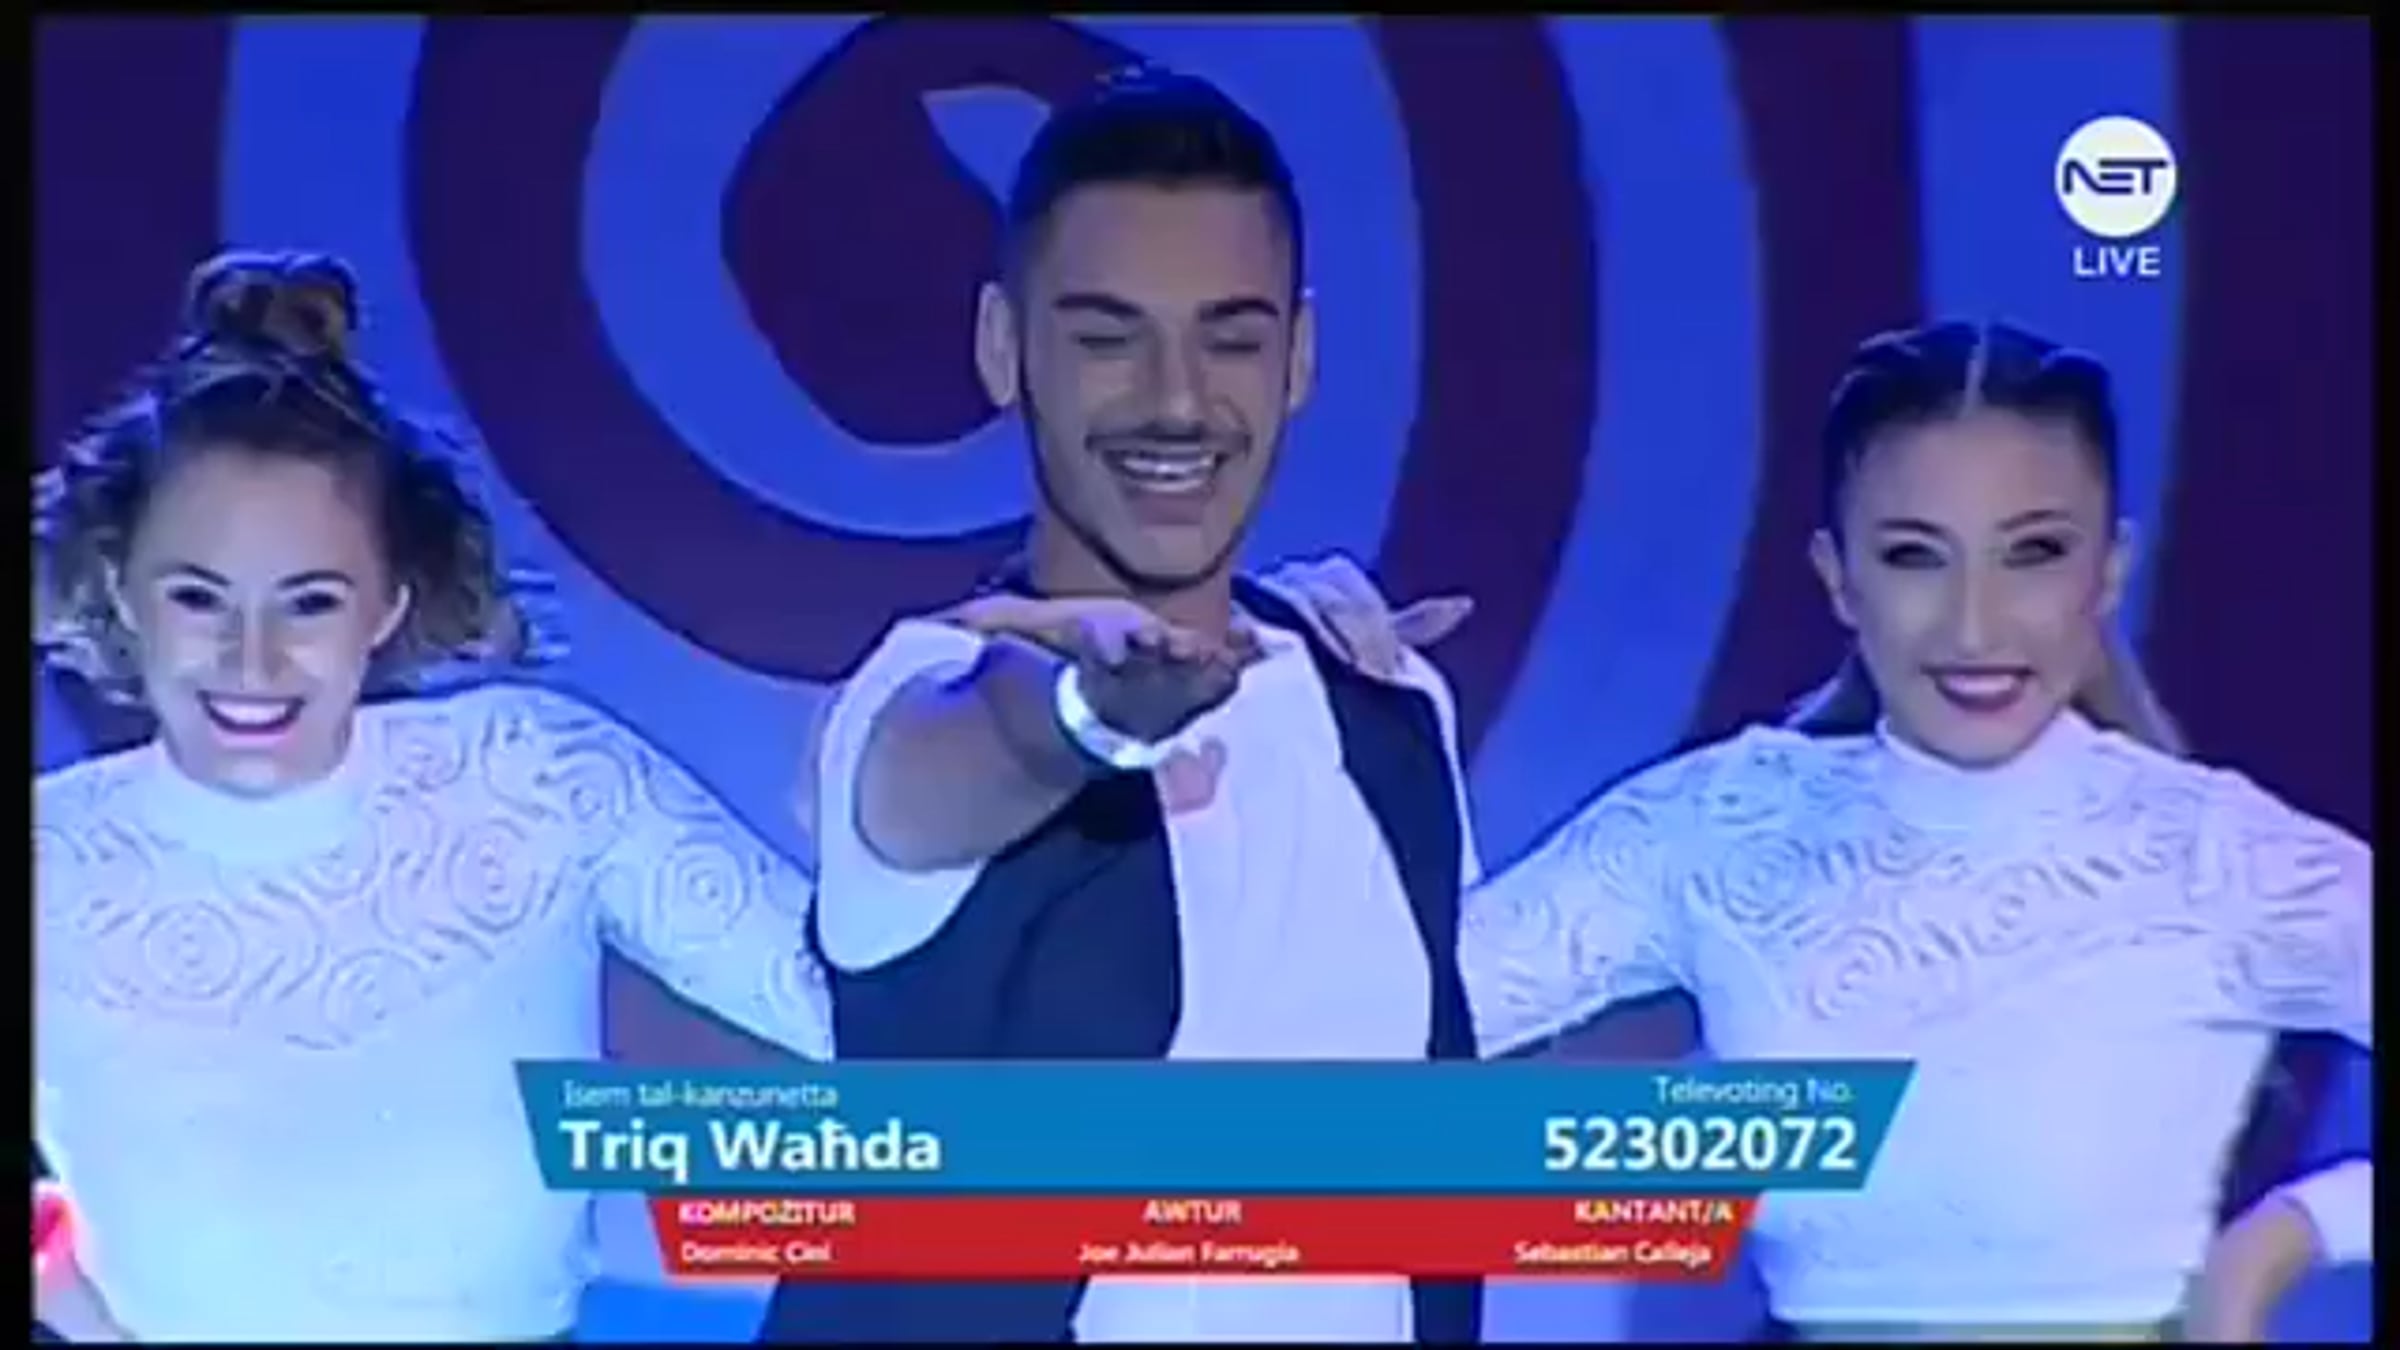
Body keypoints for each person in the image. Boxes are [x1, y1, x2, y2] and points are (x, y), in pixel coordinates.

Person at [1249, 320, 2373, 1341]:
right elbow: (1356, 1039)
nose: (1974, 625)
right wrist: (1329, 739)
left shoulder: (2221, 858)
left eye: (2033, 553)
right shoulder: (1721, 828)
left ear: (2109, 570)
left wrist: (2281, 1244)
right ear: (1839, 578)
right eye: (1914, 555)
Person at [764, 67, 1487, 1345]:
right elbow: (985, 746)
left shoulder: (1379, 706)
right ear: (1006, 349)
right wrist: (1095, 716)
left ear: (1299, 358)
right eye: (1108, 338)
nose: (1176, 401)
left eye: (1231, 338)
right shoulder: (924, 691)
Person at [32, 251, 835, 1342]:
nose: (252, 659)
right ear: (125, 593)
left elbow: (875, 1023)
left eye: (310, 603)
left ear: (388, 605)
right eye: (199, 599)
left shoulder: (536, 781)